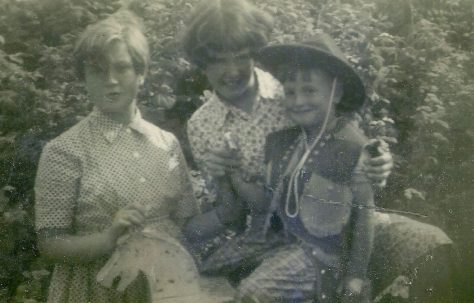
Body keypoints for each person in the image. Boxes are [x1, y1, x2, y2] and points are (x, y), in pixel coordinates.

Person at [231, 33, 454, 302]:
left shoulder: (351, 145)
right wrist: (238, 177)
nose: (299, 100)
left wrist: (354, 278)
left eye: (310, 91)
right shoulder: (282, 142)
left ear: (335, 92)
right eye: (291, 92)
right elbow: (270, 200)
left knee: (253, 293)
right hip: (292, 244)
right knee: (213, 264)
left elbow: (363, 218)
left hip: (328, 255)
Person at [182, 0, 393, 276]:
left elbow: (343, 136)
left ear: (254, 54)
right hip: (265, 233)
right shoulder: (201, 125)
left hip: (325, 224)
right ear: (202, 63)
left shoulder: (291, 92)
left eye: (240, 56)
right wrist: (224, 177)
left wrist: (381, 159)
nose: (231, 70)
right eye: (218, 60)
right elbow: (231, 215)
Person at [34, 11, 199, 303]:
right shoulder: (63, 151)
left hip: (165, 287)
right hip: (98, 290)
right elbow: (50, 244)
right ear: (84, 78)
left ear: (141, 74)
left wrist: (232, 198)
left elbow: (187, 223)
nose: (111, 81)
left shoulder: (167, 144)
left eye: (122, 68)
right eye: (97, 70)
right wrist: (108, 239)